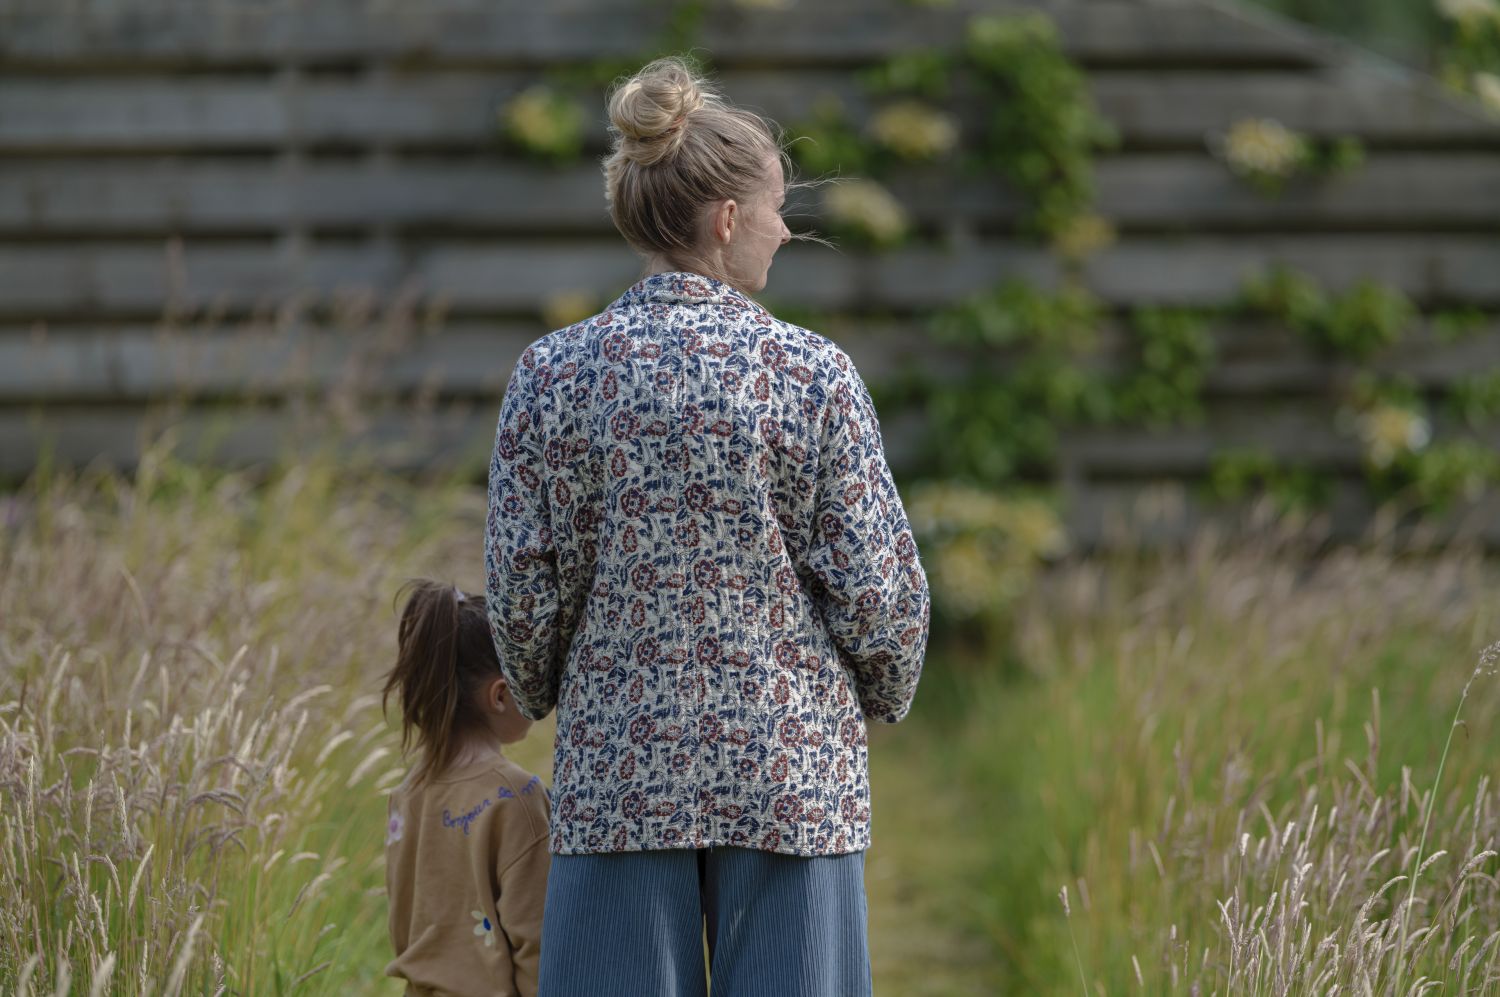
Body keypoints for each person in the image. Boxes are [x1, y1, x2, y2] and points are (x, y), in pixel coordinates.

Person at [485, 56, 930, 997]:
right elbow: (878, 591)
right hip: (790, 774)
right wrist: (885, 689)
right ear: (727, 220)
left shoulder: (552, 374)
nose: (785, 228)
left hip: (618, 776)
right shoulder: (811, 373)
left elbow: (522, 595)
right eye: (776, 208)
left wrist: (544, 686)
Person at [383, 580, 550, 997]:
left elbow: (404, 922)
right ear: (501, 695)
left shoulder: (407, 794)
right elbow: (538, 943)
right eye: (530, 681)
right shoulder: (517, 797)